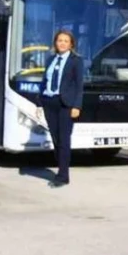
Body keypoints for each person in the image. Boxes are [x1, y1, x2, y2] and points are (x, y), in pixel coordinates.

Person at [38, 29, 84, 188]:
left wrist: (77, 105)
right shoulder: (50, 59)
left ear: (71, 44)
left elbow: (79, 86)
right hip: (49, 102)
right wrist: (40, 102)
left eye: (66, 41)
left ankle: (63, 175)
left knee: (64, 140)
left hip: (66, 104)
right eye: (59, 40)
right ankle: (61, 169)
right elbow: (44, 81)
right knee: (56, 139)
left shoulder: (76, 61)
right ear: (55, 43)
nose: (62, 43)